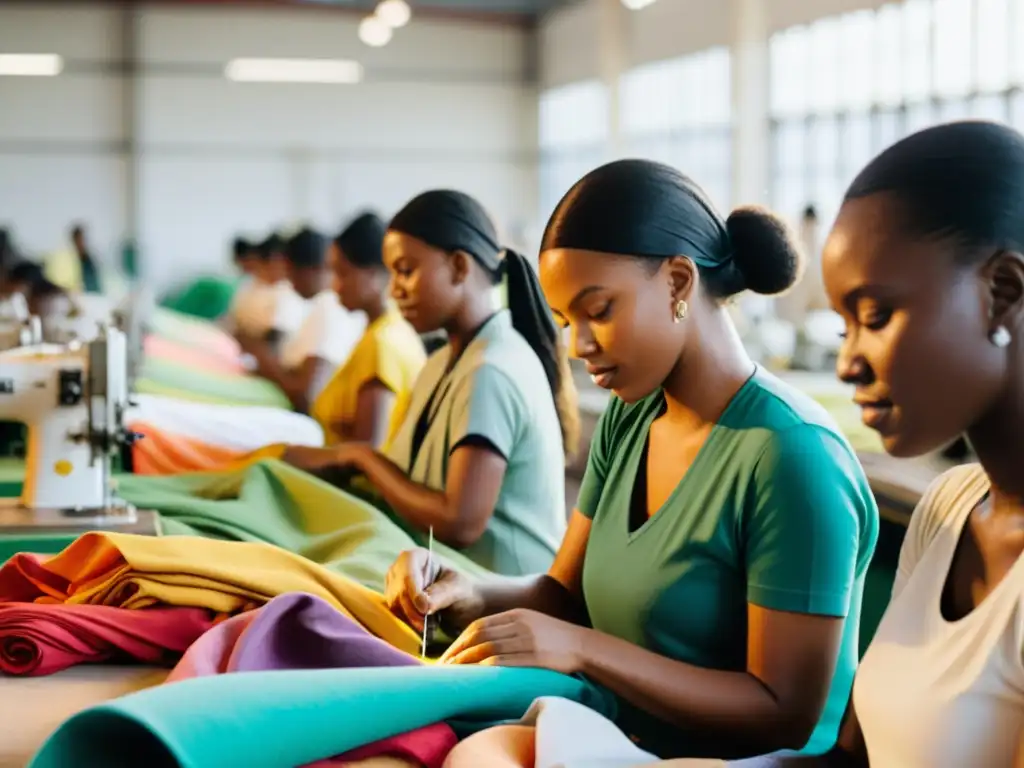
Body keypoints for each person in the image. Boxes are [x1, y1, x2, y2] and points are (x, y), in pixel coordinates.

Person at [383, 161, 879, 761]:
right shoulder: (633, 415)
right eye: (567, 321)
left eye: (599, 311)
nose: (576, 345)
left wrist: (584, 649)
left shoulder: (792, 456)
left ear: (677, 282)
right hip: (619, 734)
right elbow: (562, 595)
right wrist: (470, 593)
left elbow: (782, 715)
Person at [747, 121, 1024, 768]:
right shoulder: (948, 508)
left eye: (873, 317)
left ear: (1002, 293)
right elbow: (852, 759)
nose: (847, 362)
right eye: (842, 325)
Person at [307, 189, 578, 577]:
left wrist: (363, 458)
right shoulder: (441, 363)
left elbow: (460, 522)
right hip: (442, 567)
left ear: (458, 267)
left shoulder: (491, 369)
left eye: (406, 270)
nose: (394, 288)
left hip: (498, 594)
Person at [302, 212, 425, 448]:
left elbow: (367, 452)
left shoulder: (382, 344)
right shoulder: (387, 330)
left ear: (377, 273)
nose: (335, 285)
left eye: (343, 273)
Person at [239, 226, 365, 412]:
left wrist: (266, 364)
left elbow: (306, 398)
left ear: (312, 270)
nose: (289, 281)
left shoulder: (330, 309)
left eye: (292, 273)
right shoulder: (318, 306)